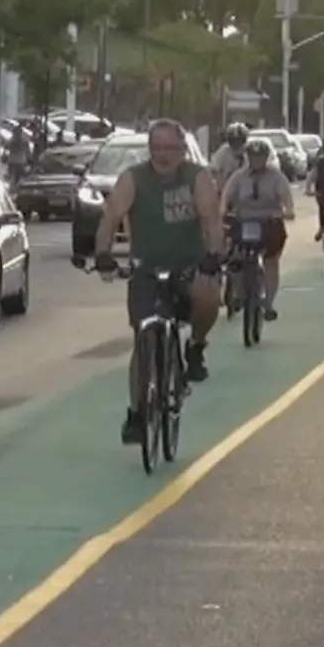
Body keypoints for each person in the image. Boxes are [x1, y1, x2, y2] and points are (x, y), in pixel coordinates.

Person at [90, 119, 225, 445]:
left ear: (182, 149)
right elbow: (110, 217)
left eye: (171, 148)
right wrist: (103, 254)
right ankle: (137, 412)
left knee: (208, 299)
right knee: (143, 336)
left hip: (188, 265)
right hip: (146, 268)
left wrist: (213, 255)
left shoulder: (196, 177)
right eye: (157, 147)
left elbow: (210, 219)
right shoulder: (133, 179)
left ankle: (195, 347)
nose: (163, 155)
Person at [220, 137, 295, 321]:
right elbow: (226, 196)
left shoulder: (276, 177)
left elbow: (287, 199)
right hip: (244, 220)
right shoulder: (238, 177)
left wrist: (288, 211)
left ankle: (268, 303)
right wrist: (223, 211)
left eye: (260, 157)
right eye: (253, 157)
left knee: (271, 262)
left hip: (269, 222)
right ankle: (238, 293)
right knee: (234, 259)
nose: (256, 161)